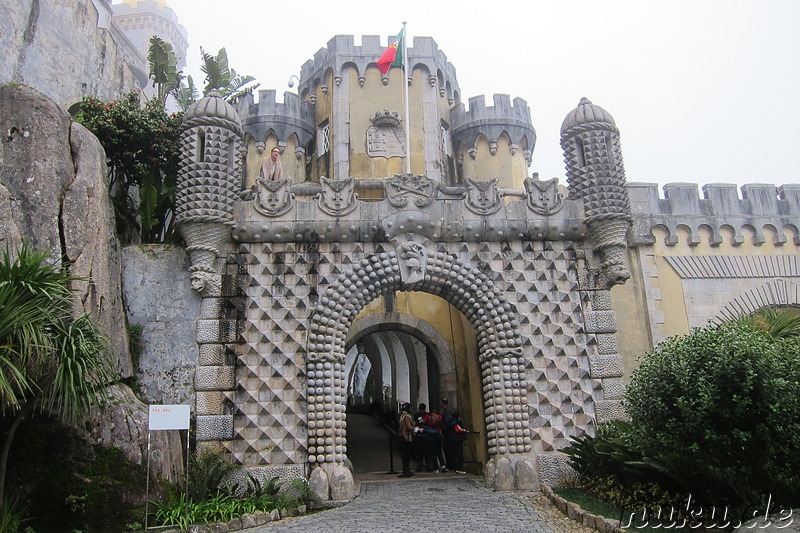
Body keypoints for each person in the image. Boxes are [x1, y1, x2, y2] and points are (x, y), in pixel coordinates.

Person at [397, 402, 419, 478]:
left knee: (407, 454)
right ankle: (406, 471)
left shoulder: (402, 415)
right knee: (407, 454)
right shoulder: (406, 416)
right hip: (406, 437)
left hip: (405, 436)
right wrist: (417, 429)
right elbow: (409, 427)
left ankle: (407, 470)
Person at [429, 407, 447, 472]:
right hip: (439, 434)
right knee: (439, 451)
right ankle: (443, 465)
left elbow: (426, 424)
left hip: (432, 435)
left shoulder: (429, 419)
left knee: (434, 452)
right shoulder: (439, 417)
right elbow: (442, 425)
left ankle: (436, 468)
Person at [440, 398, 455, 470]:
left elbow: (448, 422)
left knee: (448, 450)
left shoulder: (446, 412)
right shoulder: (448, 411)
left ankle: (450, 466)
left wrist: (444, 429)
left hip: (448, 434)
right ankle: (450, 465)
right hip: (449, 433)